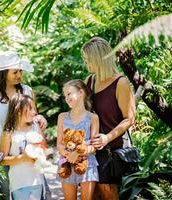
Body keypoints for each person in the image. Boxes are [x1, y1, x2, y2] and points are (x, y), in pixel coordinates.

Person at [0, 51, 48, 200]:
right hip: (2, 154)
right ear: (4, 73)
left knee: (41, 194)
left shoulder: (27, 90)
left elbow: (33, 115)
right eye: (15, 72)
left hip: (28, 152)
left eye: (20, 71)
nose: (19, 75)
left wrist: (41, 118)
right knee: (6, 195)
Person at [81, 37, 135, 200]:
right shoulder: (89, 81)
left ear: (98, 58)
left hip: (111, 149)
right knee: (92, 193)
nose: (86, 62)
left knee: (107, 191)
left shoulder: (121, 83)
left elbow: (129, 119)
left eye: (88, 58)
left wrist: (107, 138)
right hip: (90, 150)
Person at [57, 79, 99, 200]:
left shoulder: (93, 117)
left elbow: (93, 146)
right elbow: (59, 145)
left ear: (81, 92)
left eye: (69, 93)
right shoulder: (62, 117)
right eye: (65, 96)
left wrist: (77, 153)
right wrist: (68, 155)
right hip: (66, 164)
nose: (67, 98)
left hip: (87, 164)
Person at [0, 94, 47, 200]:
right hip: (19, 183)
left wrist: (38, 152)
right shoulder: (8, 132)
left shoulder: (36, 126)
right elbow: (2, 160)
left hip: (36, 181)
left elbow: (44, 148)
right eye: (30, 108)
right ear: (18, 110)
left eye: (34, 108)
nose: (34, 112)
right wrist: (22, 158)